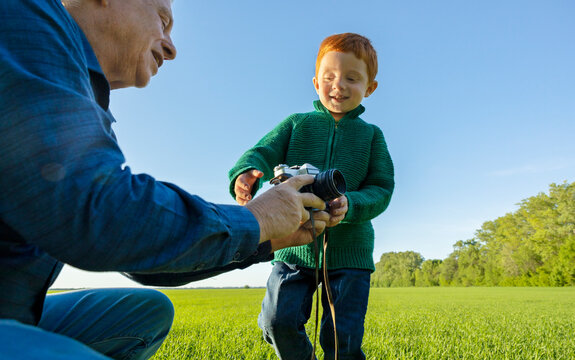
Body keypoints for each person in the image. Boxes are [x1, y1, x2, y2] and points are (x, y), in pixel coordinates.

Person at [0, 0, 330, 359]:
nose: (171, 47)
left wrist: (269, 240)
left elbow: (134, 253)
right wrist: (257, 218)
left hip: (15, 313)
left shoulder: (77, 93)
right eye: (162, 20)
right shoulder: (25, 17)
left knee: (146, 312)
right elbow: (96, 210)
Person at [229, 33, 395, 359]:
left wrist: (353, 204)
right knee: (278, 322)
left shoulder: (371, 135)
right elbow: (261, 152)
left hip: (351, 254)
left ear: (369, 88)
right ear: (316, 81)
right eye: (330, 76)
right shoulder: (296, 124)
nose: (339, 85)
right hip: (292, 246)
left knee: (341, 340)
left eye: (352, 78)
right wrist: (246, 172)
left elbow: (382, 187)